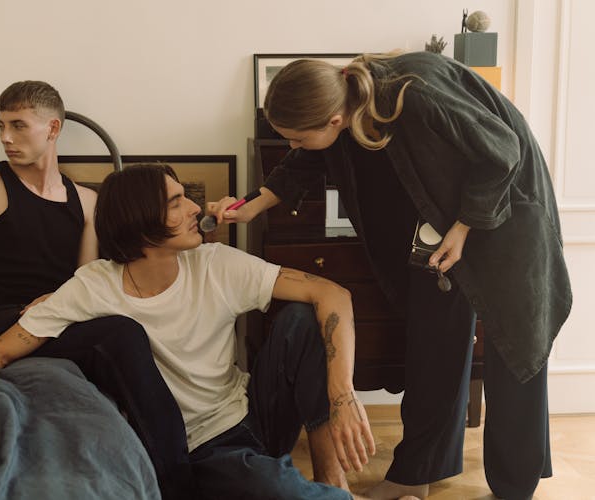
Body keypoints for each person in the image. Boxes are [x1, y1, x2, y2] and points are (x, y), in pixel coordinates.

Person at [0, 163, 422, 500]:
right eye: (176, 202)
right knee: (279, 489)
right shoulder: (92, 288)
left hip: (253, 413)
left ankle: (334, 483)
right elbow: (1, 348)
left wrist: (342, 397)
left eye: (187, 197)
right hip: (202, 448)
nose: (193, 208)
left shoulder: (216, 264)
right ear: (141, 227)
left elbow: (333, 294)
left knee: (298, 318)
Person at [209, 51, 573, 500]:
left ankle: (515, 486)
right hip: (438, 226)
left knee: (514, 343)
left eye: (299, 138)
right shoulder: (346, 108)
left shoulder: (413, 94)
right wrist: (245, 208)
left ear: (335, 118)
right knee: (431, 342)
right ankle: (417, 471)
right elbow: (302, 163)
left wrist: (463, 227)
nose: (293, 146)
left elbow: (502, 151)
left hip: (505, 213)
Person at [0, 82, 183, 499]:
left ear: (52, 128)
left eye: (17, 125)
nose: (5, 138)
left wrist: (61, 301)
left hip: (60, 321)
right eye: (1, 126)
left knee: (126, 331)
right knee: (121, 334)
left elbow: (85, 280)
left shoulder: (86, 201)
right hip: (2, 326)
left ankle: (161, 460)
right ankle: (178, 482)